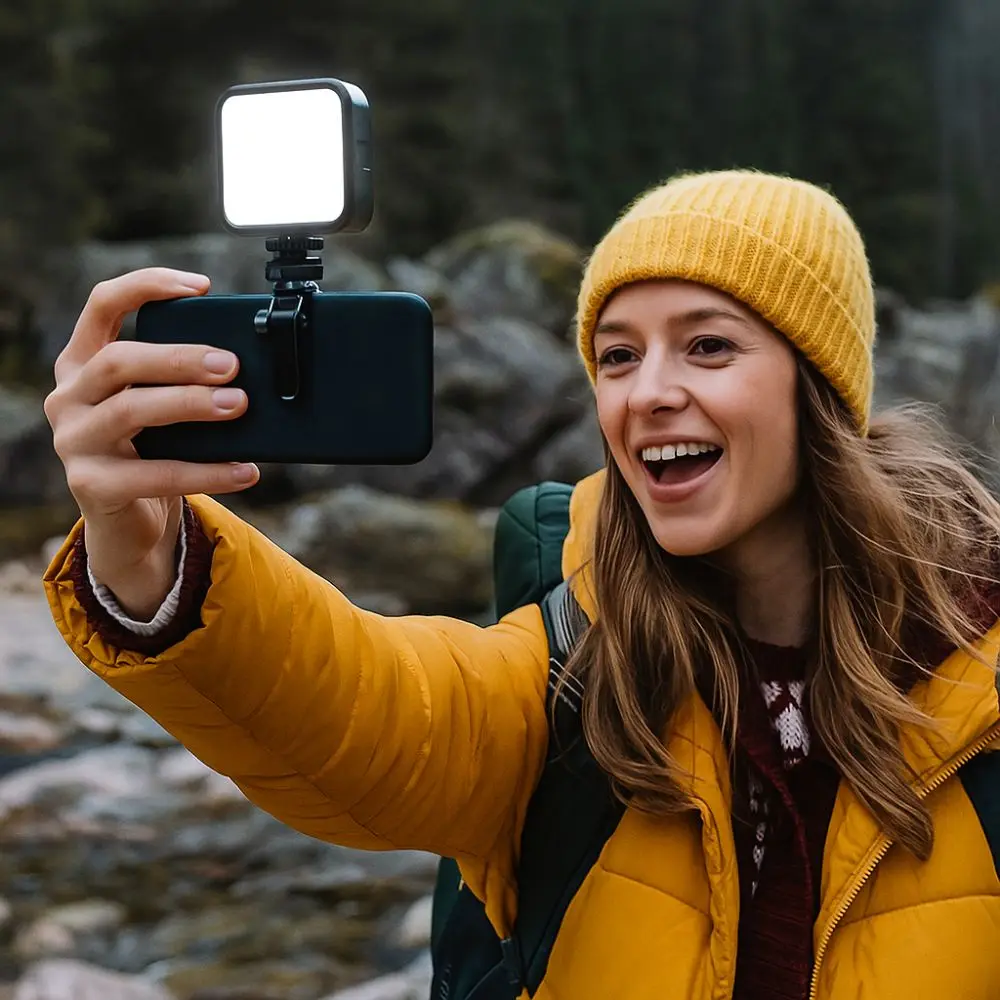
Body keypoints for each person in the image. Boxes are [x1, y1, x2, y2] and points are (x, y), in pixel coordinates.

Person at [42, 170, 1000, 999]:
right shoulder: (577, 671)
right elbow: (364, 704)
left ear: (821, 388)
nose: (647, 391)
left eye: (708, 345)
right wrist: (150, 556)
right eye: (618, 355)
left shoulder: (982, 684)